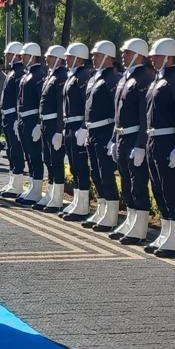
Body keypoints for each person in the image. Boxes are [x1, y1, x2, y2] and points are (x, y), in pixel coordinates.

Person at [143, 38, 175, 258]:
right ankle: (166, 232)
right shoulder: (158, 79)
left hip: (168, 142)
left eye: (156, 55)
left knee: (171, 190)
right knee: (159, 189)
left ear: (169, 56)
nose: (152, 58)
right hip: (155, 141)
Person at [108, 38, 155, 244]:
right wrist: (113, 138)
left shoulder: (144, 79)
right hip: (122, 136)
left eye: (127, 53)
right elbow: (117, 113)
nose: (123, 56)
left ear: (138, 54)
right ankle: (131, 220)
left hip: (134, 138)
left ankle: (140, 228)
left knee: (138, 184)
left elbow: (145, 117)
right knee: (127, 184)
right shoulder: (126, 77)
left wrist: (140, 144)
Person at [80, 41, 120, 232]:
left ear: (107, 57)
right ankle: (102, 209)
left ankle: (111, 215)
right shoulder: (94, 78)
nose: (93, 58)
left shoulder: (112, 80)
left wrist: (113, 137)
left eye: (96, 55)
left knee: (106, 174)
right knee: (96, 173)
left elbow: (116, 112)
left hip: (105, 131)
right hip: (93, 131)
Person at [59, 43, 92, 221]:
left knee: (80, 166)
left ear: (79, 58)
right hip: (70, 125)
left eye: (70, 57)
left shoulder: (83, 76)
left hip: (78, 125)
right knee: (74, 166)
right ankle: (78, 201)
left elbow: (87, 103)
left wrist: (84, 127)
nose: (67, 60)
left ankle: (83, 205)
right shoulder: (74, 75)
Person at [33, 45, 67, 212]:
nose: (46, 59)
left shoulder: (61, 76)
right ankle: (52, 193)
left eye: (49, 56)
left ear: (58, 58)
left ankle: (58, 198)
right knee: (48, 160)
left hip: (54, 124)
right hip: (46, 123)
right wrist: (40, 124)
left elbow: (61, 106)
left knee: (56, 161)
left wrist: (59, 130)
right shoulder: (51, 75)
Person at [15, 42, 46, 205]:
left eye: (24, 55)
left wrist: (39, 124)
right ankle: (33, 186)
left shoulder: (39, 74)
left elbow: (42, 100)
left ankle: (37, 189)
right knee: (28, 155)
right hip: (23, 119)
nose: (22, 58)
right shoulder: (28, 74)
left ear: (33, 56)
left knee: (34, 156)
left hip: (32, 119)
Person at [0, 42, 26, 197]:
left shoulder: (20, 73)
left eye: (9, 54)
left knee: (16, 150)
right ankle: (12, 181)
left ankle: (18, 184)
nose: (6, 57)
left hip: (13, 115)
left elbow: (19, 99)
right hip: (8, 115)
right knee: (10, 150)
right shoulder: (13, 72)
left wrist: (16, 118)